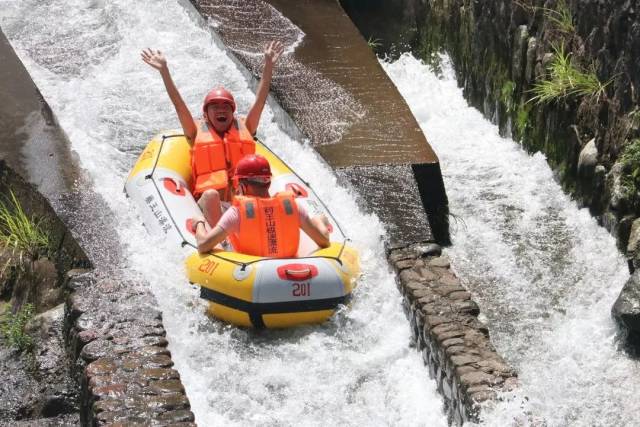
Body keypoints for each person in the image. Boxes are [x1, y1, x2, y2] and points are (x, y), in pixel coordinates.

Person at [141, 41, 285, 214]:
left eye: (226, 106)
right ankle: (217, 241)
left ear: (233, 113)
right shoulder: (194, 132)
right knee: (211, 195)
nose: (221, 109)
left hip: (243, 206)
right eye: (215, 106)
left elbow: (260, 101)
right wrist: (164, 71)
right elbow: (178, 104)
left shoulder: (246, 127)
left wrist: (268, 65)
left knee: (278, 197)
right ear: (206, 115)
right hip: (211, 208)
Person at [192, 154, 331, 256]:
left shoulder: (237, 213)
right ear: (268, 183)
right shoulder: (293, 206)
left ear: (241, 186)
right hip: (286, 266)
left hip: (249, 273)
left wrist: (199, 223)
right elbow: (324, 241)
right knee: (318, 220)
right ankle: (320, 220)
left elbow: (203, 245)